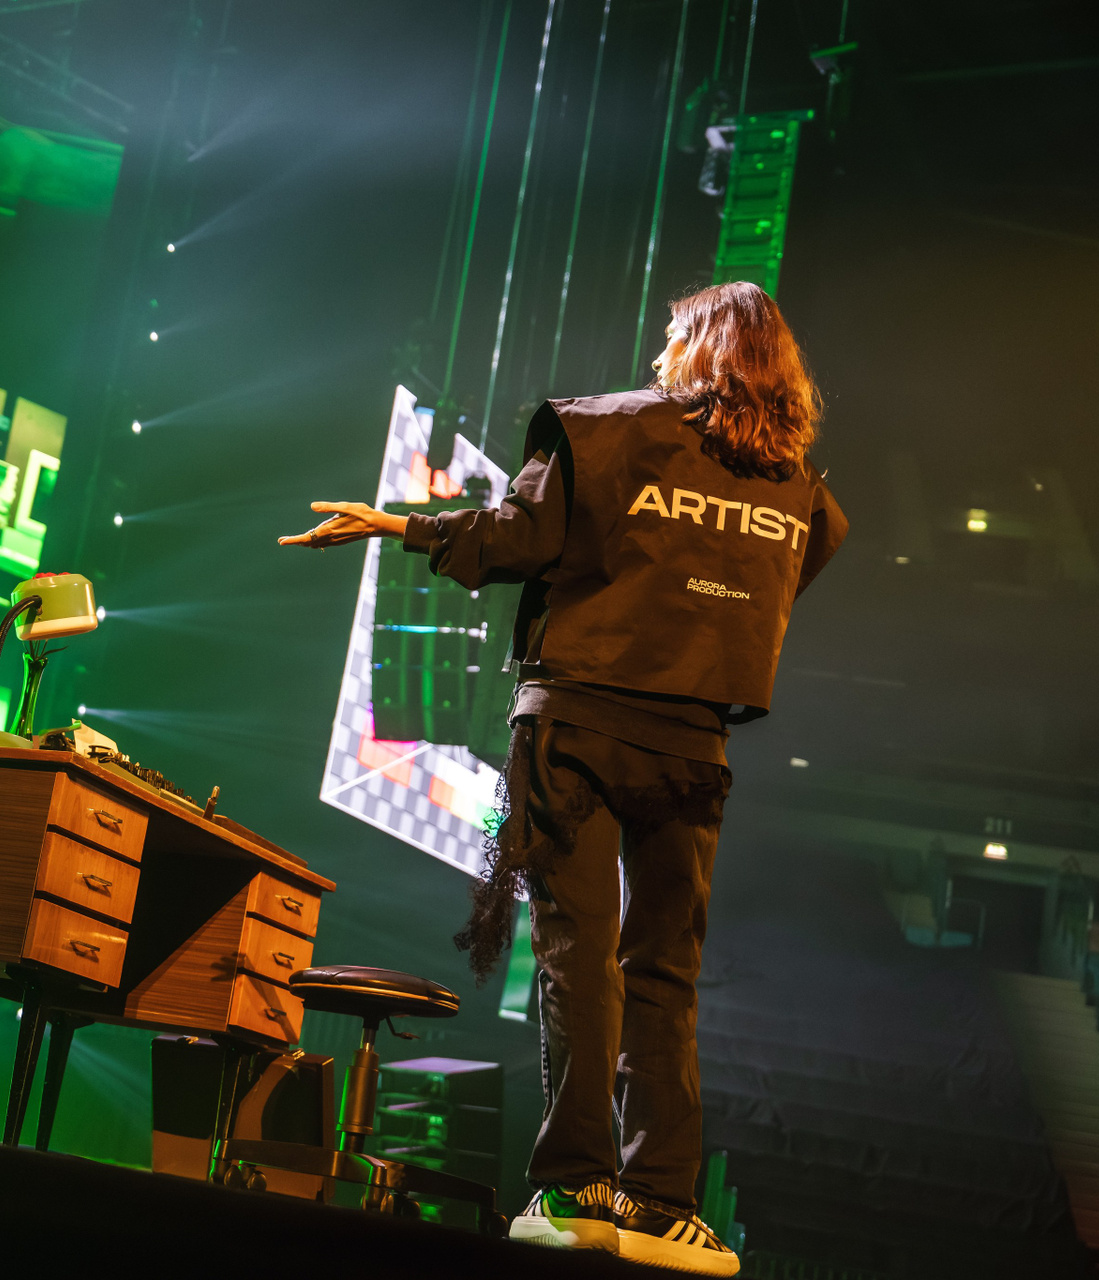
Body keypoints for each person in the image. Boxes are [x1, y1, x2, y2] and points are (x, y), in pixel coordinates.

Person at [281, 282, 845, 1277]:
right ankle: (663, 1207)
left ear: (698, 347)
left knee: (580, 956)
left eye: (674, 337)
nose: (661, 354)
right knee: (665, 974)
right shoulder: (796, 490)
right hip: (691, 749)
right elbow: (783, 580)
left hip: (578, 724)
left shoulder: (606, 429)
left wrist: (399, 526)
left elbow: (517, 537)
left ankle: (579, 1192)